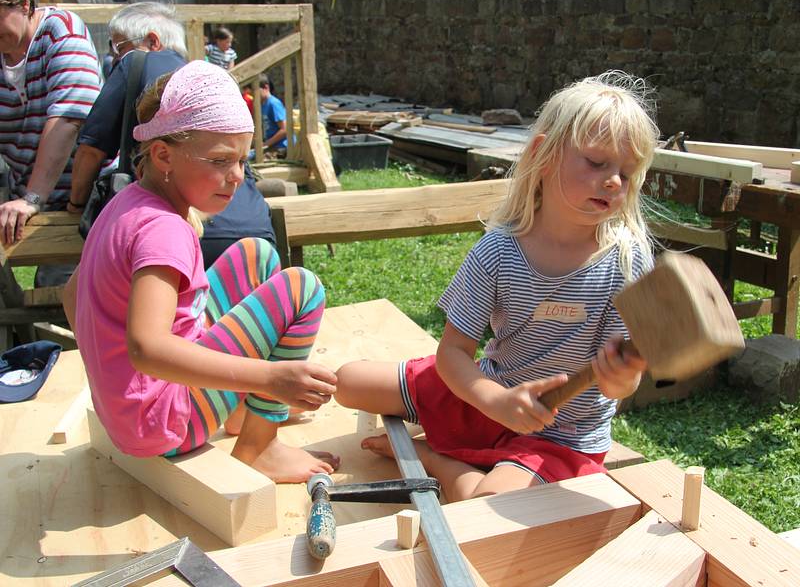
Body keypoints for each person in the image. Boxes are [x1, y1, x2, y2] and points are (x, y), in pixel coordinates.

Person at [334, 71, 660, 503]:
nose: (615, 181)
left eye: (627, 171)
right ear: (544, 155)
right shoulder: (501, 250)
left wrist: (623, 376)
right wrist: (496, 401)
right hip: (491, 394)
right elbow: (452, 353)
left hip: (561, 432)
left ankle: (437, 461)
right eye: (597, 162)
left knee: (483, 506)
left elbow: (619, 390)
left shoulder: (627, 261)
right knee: (348, 383)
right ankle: (458, 438)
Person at [62, 61, 339, 483]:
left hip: (132, 410)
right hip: (163, 426)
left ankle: (240, 410)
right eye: (219, 161)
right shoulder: (165, 231)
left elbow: (72, 294)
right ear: (163, 155)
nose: (235, 177)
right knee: (301, 287)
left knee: (258, 256)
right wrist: (272, 377)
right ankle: (259, 446)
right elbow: (148, 349)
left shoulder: (124, 205)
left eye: (242, 160)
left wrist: (113, 377)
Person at [70, 2, 275, 268]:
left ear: (152, 40)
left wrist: (75, 206)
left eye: (119, 47)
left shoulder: (135, 64)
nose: (117, 57)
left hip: (184, 235)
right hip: (255, 228)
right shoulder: (210, 76)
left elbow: (91, 151)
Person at [0, 0, 100, 284]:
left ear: (24, 4)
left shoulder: (62, 32)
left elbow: (69, 119)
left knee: (70, 293)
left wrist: (32, 198)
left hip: (87, 201)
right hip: (31, 200)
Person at [260, 76, 288, 153]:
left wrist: (265, 144)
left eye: (254, 91)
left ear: (266, 87)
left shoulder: (273, 103)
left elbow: (285, 129)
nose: (253, 95)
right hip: (272, 146)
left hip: (282, 147)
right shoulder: (262, 105)